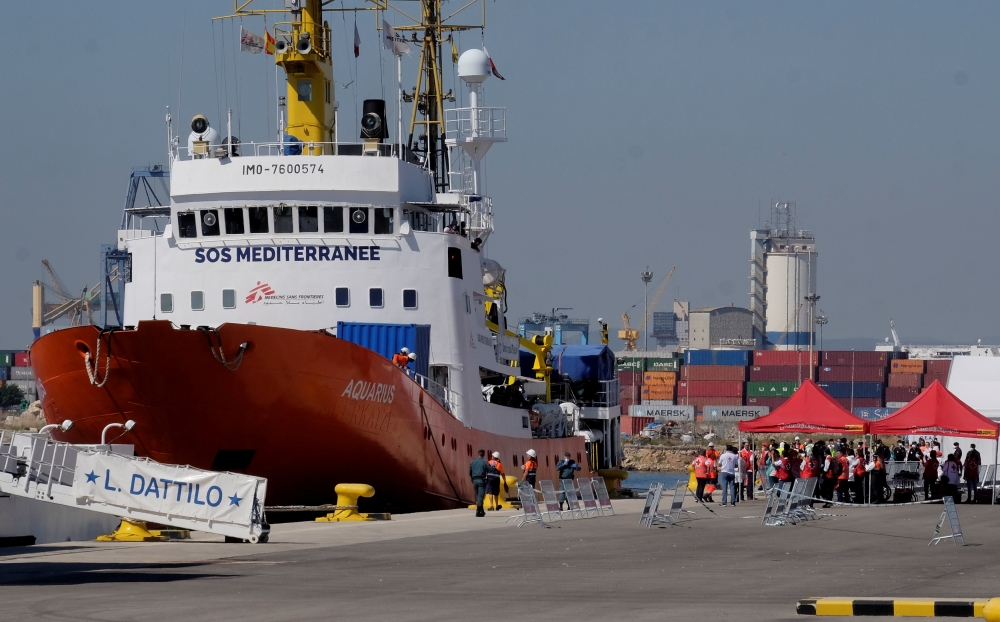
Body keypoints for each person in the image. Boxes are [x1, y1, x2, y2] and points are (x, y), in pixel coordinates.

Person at [469, 449, 489, 517]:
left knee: (478, 496)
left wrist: (472, 478)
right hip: (481, 480)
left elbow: (470, 472)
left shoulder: (472, 462)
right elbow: (488, 470)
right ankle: (478, 511)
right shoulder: (484, 462)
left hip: (474, 480)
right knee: (480, 496)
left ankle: (482, 511)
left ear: (478, 453)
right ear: (483, 454)